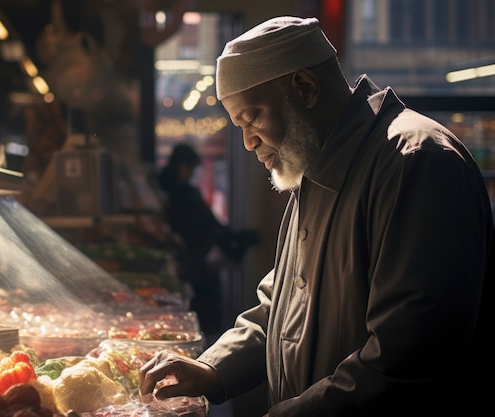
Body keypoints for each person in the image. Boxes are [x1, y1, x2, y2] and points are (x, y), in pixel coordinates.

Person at [139, 16, 494, 416]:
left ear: (305, 88)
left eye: (252, 119)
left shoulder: (414, 164)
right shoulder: (318, 164)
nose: (248, 141)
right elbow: (285, 301)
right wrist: (213, 367)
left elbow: (408, 358)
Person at [157, 143, 258, 337]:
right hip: (193, 266)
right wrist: (236, 240)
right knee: (203, 316)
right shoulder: (183, 193)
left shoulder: (166, 188)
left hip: (186, 264)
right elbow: (209, 226)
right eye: (189, 168)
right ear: (181, 166)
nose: (191, 173)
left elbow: (208, 225)